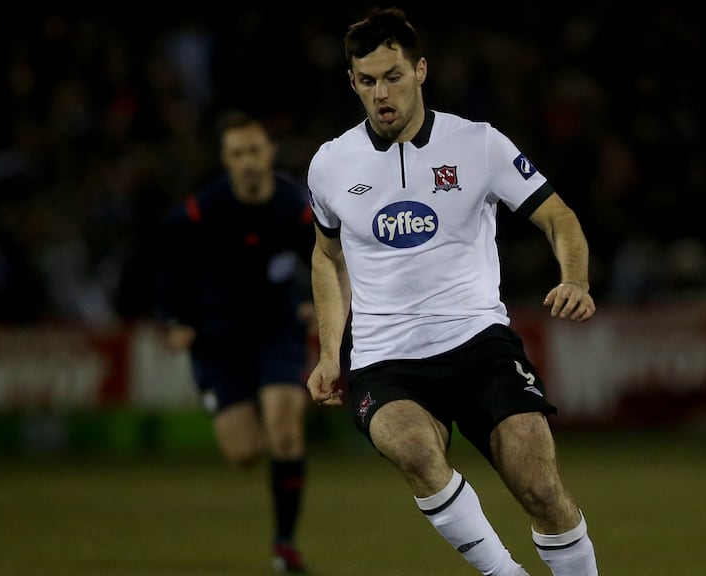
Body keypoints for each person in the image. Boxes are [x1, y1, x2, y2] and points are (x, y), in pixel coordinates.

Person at [304, 7, 599, 576]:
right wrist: (328, 351)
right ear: (352, 83)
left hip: (479, 344)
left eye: (392, 76)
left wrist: (575, 279)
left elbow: (559, 217)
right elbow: (327, 256)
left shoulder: (479, 144)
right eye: (366, 81)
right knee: (412, 447)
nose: (380, 93)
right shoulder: (330, 164)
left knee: (539, 487)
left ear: (420, 70)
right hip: (385, 358)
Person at [153, 110, 317, 573]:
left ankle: (285, 544)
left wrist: (311, 302)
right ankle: (263, 430)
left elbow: (328, 260)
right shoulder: (202, 210)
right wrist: (172, 320)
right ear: (226, 160)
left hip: (276, 333)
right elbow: (165, 265)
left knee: (285, 432)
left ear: (269, 153)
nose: (247, 161)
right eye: (237, 153)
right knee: (244, 453)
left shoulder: (294, 205)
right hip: (217, 340)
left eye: (254, 150)